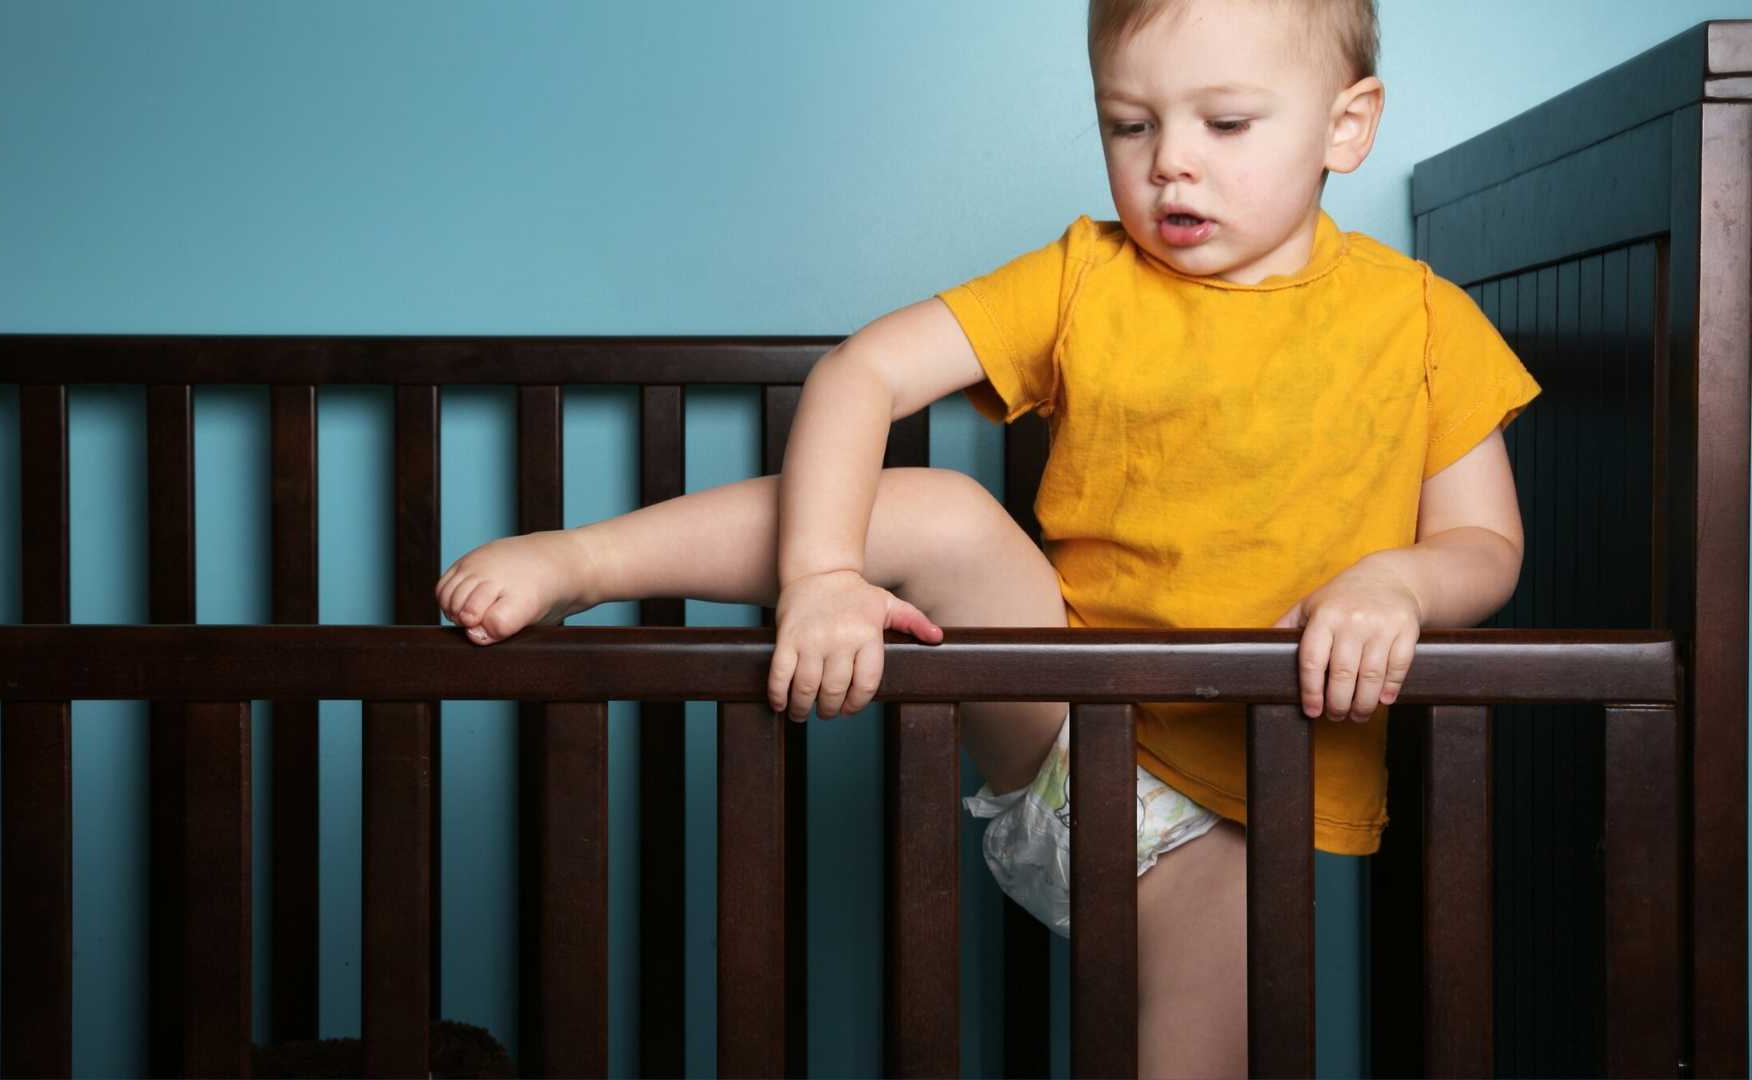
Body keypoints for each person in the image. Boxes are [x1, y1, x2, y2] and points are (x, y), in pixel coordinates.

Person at [434, 0, 1538, 1073]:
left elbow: (1486, 544)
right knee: (943, 509)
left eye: (1226, 124)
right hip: (1067, 734)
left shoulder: (1424, 319)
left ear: (1348, 124)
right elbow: (863, 370)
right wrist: (818, 576)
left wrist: (1396, 584)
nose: (1171, 165)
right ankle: (585, 561)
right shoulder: (1087, 277)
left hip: (1248, 814)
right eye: (1131, 124)